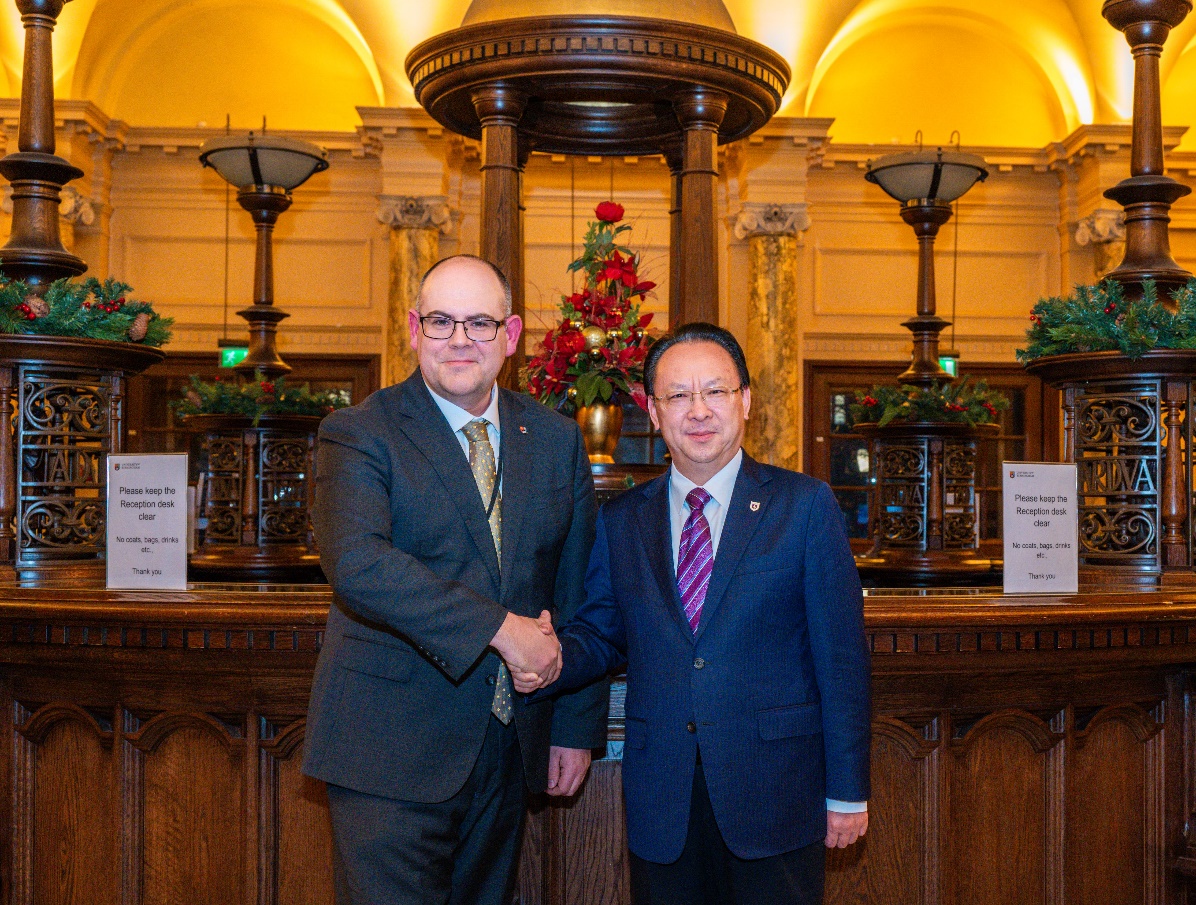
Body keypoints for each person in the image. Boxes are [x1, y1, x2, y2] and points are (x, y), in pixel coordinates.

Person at [520, 322, 870, 905]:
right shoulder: (623, 520)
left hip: (777, 793)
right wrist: (545, 656)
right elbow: (602, 634)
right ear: (653, 412)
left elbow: (842, 662)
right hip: (665, 796)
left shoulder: (805, 506)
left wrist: (848, 791)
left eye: (715, 391)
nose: (699, 410)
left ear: (745, 400)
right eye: (678, 395)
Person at [303, 254, 609, 905]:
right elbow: (359, 563)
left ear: (511, 334)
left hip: (508, 748)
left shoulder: (554, 440)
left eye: (480, 322)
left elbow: (577, 590)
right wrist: (501, 629)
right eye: (442, 321)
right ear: (415, 329)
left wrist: (574, 727)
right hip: (387, 749)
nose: (460, 339)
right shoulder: (359, 431)